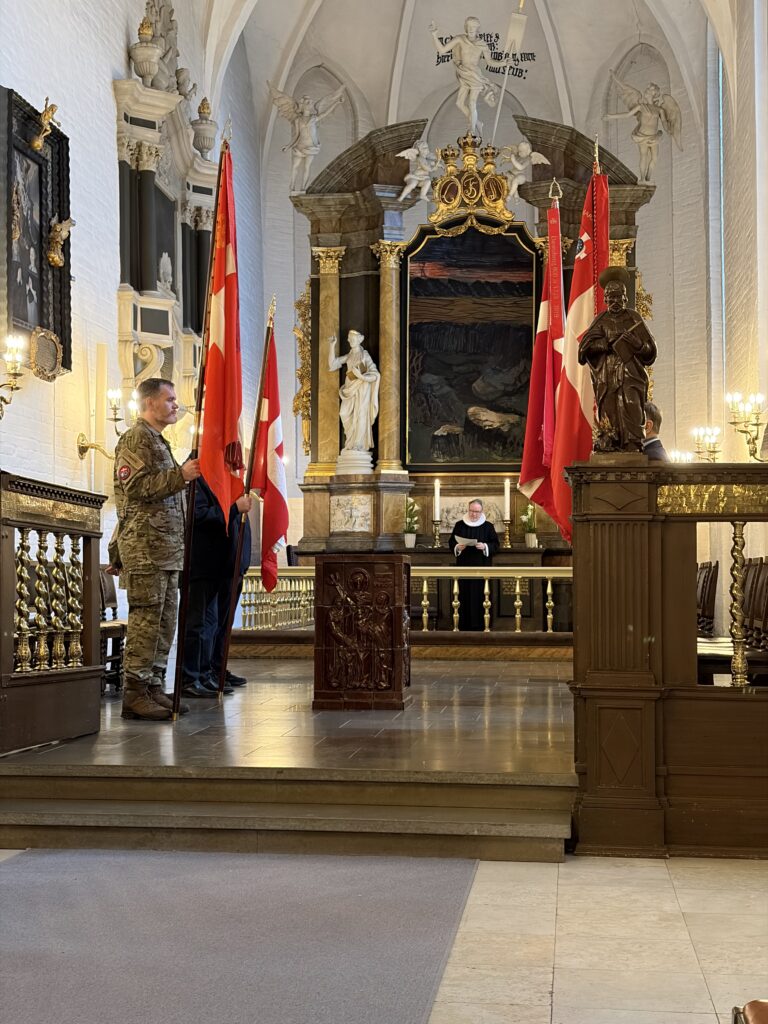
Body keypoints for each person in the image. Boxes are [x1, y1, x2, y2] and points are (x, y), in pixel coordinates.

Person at [110, 378, 200, 721]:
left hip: (165, 551)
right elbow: (135, 487)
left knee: (163, 622)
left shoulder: (158, 441)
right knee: (146, 620)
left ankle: (153, 686)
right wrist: (181, 476)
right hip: (146, 550)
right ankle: (134, 693)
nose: (176, 405)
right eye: (170, 399)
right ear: (149, 403)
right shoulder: (135, 438)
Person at [180, 477, 252, 698]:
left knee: (209, 625)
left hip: (217, 566)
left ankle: (203, 674)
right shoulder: (195, 479)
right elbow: (198, 516)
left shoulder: (217, 478)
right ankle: (189, 677)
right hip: (201, 564)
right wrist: (233, 509)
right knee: (196, 625)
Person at [578, 266, 657, 452]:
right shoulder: (601, 321)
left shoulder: (633, 318)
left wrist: (638, 345)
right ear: (605, 299)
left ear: (625, 297)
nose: (614, 301)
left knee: (631, 405)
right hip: (607, 378)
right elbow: (584, 351)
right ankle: (610, 442)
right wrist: (604, 344)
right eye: (610, 297)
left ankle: (632, 445)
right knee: (610, 412)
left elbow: (651, 352)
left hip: (631, 375)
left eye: (618, 296)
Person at [428, 17, 508, 136]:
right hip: (464, 73)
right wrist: (434, 35)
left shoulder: (482, 44)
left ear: (477, 29)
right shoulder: (460, 39)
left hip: (475, 75)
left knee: (471, 103)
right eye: (469, 26)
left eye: (474, 27)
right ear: (466, 27)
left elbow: (490, 62)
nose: (471, 29)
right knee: (459, 103)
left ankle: (472, 131)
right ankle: (477, 122)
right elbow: (442, 50)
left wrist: (504, 63)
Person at [448, 499, 499, 631]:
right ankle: (463, 625)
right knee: (463, 596)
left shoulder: (488, 526)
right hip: (464, 566)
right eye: (471, 511)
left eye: (476, 511)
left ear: (481, 511)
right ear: (468, 510)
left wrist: (485, 546)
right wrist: (458, 547)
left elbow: (495, 544)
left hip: (482, 567)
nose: (474, 514)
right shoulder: (460, 525)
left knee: (480, 596)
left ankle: (482, 625)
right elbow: (451, 542)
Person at [328, 330, 380, 451]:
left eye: (352, 338)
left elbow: (375, 375)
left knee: (361, 414)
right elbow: (332, 364)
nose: (349, 340)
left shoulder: (364, 355)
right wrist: (332, 346)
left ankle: (358, 444)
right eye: (349, 338)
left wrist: (361, 376)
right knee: (344, 413)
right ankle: (350, 441)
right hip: (349, 389)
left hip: (362, 388)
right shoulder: (350, 355)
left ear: (359, 339)